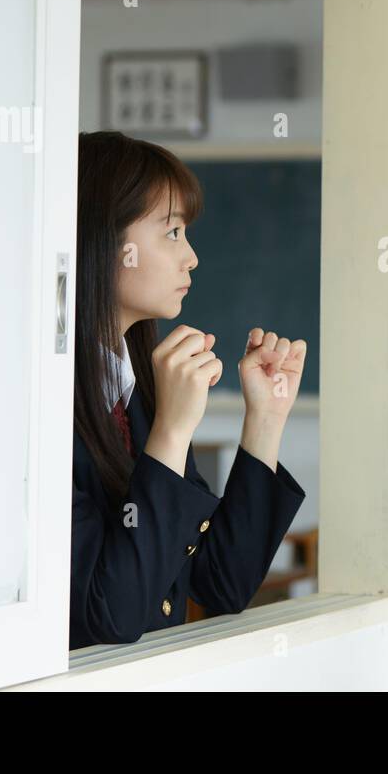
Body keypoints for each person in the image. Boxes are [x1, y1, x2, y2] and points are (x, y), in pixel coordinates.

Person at [70, 130, 306, 651]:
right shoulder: (48, 407)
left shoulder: (141, 392)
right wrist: (173, 432)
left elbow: (221, 582)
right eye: (172, 232)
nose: (191, 257)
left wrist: (264, 419)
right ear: (103, 240)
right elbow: (111, 615)